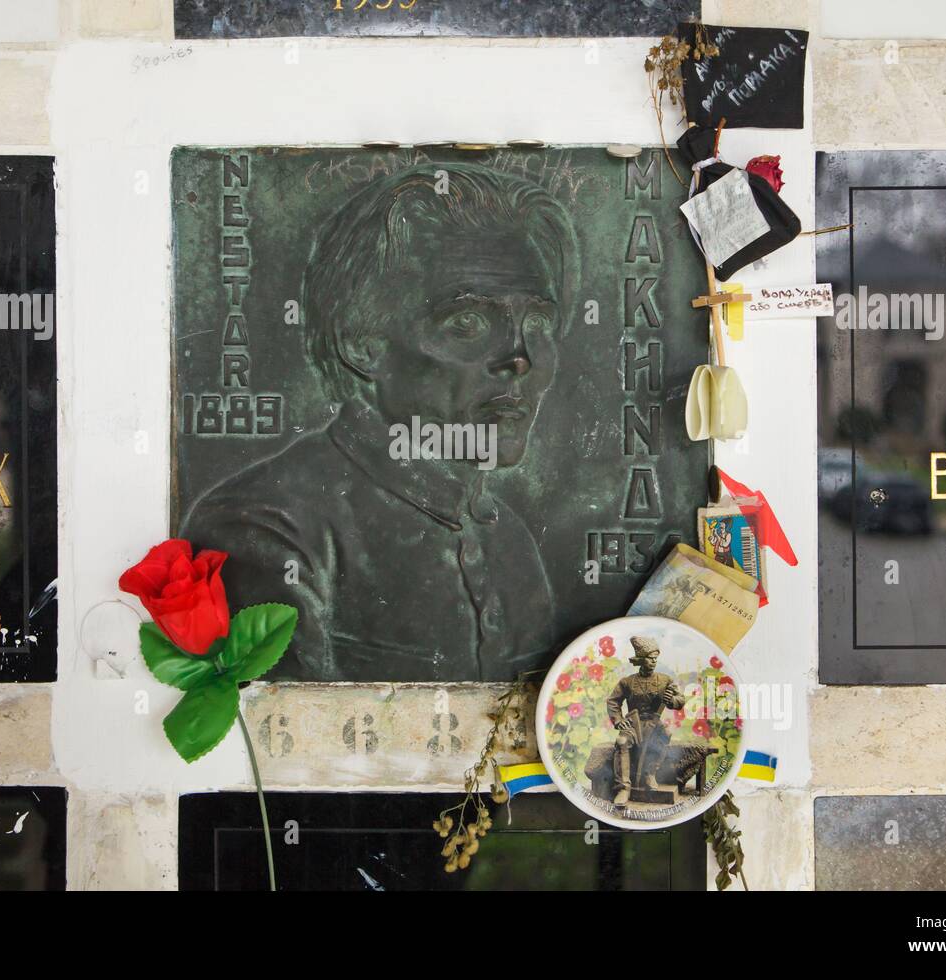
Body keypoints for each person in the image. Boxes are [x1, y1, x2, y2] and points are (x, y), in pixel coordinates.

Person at [182, 163, 580, 681]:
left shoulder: (509, 544)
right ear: (363, 343)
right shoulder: (266, 532)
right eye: (467, 321)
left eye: (537, 323)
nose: (519, 356)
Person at [606, 636, 687, 806]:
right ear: (641, 659)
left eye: (656, 658)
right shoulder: (627, 682)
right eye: (650, 658)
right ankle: (623, 788)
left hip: (654, 723)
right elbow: (613, 701)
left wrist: (672, 700)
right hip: (633, 725)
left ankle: (650, 773)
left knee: (665, 735)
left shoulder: (665, 680)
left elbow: (680, 700)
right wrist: (618, 720)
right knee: (621, 741)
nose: (654, 661)